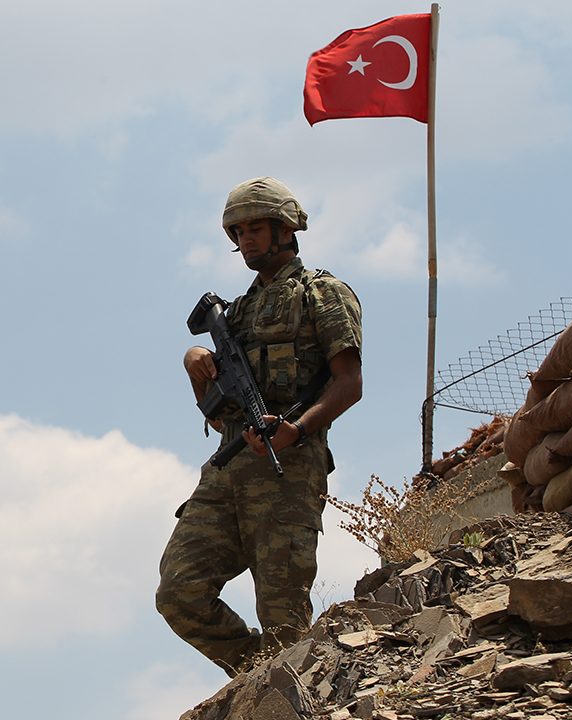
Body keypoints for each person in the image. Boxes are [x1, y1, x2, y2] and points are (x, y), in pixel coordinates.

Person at [156, 177, 362, 676]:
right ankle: (264, 677)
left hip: (286, 465)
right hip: (229, 465)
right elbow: (211, 408)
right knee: (180, 592)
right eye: (239, 231)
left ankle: (290, 687)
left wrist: (299, 429)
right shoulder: (235, 312)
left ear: (285, 229)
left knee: (283, 615)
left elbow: (349, 383)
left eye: (256, 228)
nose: (246, 239)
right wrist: (196, 362)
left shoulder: (323, 293)